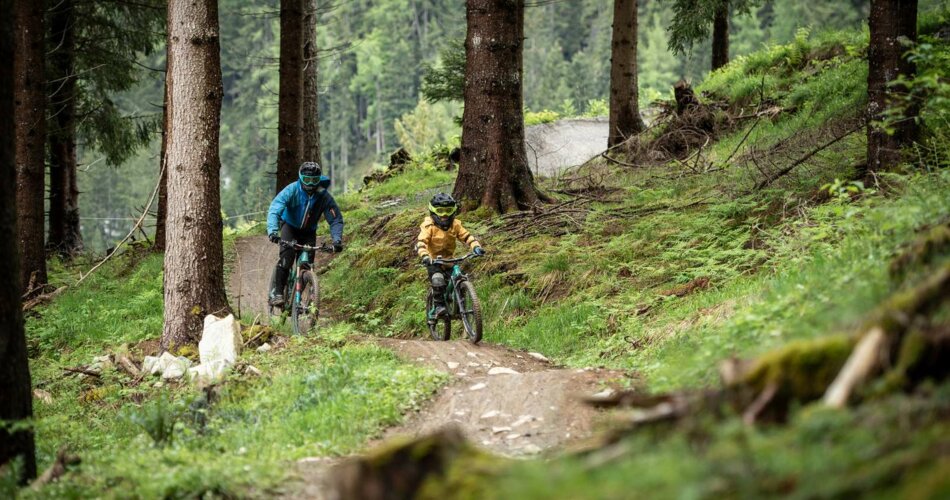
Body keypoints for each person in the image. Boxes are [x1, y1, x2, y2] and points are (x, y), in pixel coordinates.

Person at [267, 161, 344, 306]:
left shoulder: (323, 196)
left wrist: (337, 240)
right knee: (286, 259)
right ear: (300, 178)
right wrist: (272, 231)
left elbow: (335, 220)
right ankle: (277, 293)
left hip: (309, 232)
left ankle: (297, 299)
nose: (310, 183)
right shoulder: (291, 190)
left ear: (319, 179)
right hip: (289, 227)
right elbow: (275, 208)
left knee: (307, 265)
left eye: (314, 180)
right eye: (307, 179)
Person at [416, 193, 485, 318]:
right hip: (433, 261)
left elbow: (467, 236)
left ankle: (460, 307)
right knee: (437, 279)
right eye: (440, 211)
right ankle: (438, 307)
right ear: (433, 211)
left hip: (449, 260)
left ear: (453, 211)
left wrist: (476, 246)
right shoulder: (428, 226)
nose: (444, 215)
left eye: (448, 211)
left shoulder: (455, 225)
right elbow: (421, 242)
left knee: (460, 278)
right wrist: (425, 256)